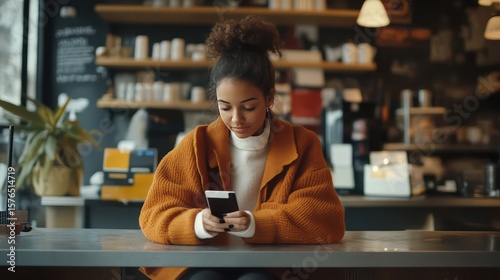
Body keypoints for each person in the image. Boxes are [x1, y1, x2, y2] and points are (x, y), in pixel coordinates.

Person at [138, 15, 345, 280]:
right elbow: (153, 215)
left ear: (269, 98)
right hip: (204, 260)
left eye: (248, 107)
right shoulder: (195, 145)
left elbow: (326, 220)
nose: (236, 119)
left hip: (270, 264)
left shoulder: (302, 144)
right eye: (225, 107)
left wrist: (257, 224)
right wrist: (197, 224)